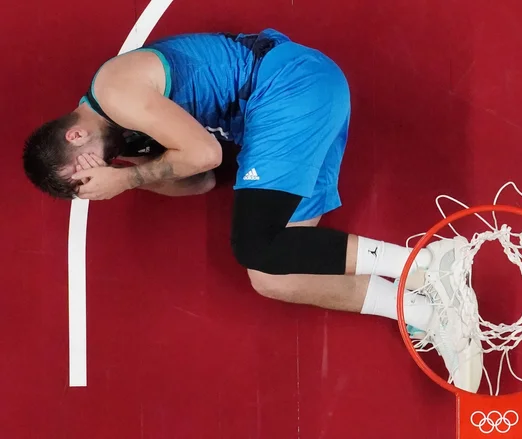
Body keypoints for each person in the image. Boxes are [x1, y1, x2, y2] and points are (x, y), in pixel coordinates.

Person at [22, 29, 482, 391]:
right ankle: (424, 311)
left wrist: (125, 178)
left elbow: (205, 157)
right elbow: (198, 183)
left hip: (288, 87)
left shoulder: (115, 89)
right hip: (282, 121)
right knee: (273, 275)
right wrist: (133, 172)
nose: (102, 174)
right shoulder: (129, 139)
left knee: (254, 244)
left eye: (89, 172)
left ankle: (425, 264)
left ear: (75, 137)